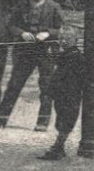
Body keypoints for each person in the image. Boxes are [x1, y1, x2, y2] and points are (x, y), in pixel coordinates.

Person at [0, 0, 65, 129]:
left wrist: (48, 33)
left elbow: (63, 30)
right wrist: (22, 33)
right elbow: (11, 25)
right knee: (14, 84)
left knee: (46, 87)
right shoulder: (22, 5)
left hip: (46, 52)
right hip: (25, 51)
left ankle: (42, 122)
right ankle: (0, 119)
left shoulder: (54, 7)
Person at [37, 28, 89, 161]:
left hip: (70, 93)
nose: (64, 41)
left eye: (68, 39)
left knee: (66, 120)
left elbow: (75, 77)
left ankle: (58, 147)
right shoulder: (64, 54)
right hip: (60, 94)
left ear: (75, 41)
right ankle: (59, 147)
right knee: (60, 119)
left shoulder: (76, 56)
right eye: (61, 39)